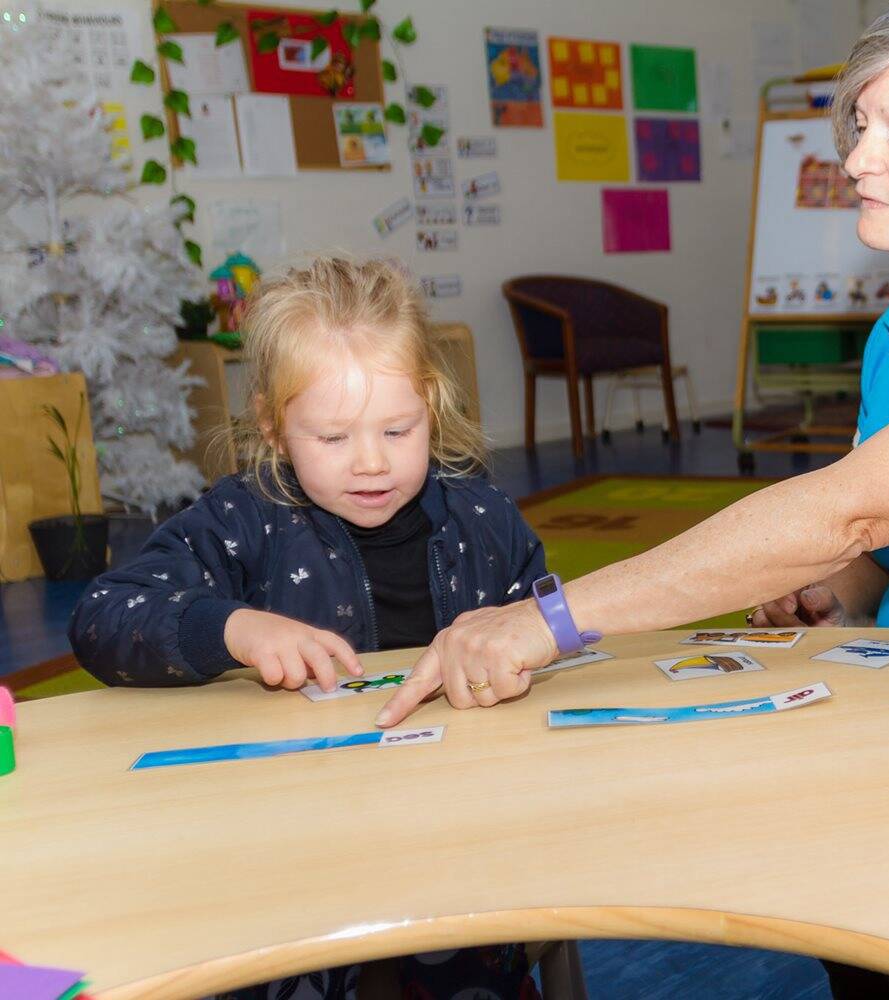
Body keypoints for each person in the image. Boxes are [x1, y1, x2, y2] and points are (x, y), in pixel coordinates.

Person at [375, 0, 889, 740]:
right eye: (860, 127)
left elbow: (851, 512)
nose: (858, 161)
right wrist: (842, 591)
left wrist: (545, 622)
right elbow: (886, 539)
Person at [69, 256, 545, 999]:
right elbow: (104, 617)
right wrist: (232, 628)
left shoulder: (484, 519)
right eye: (332, 438)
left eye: (398, 429)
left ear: (433, 402)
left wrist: (522, 637)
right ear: (272, 424)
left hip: (463, 850)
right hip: (291, 866)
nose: (371, 463)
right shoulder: (243, 519)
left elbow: (557, 628)